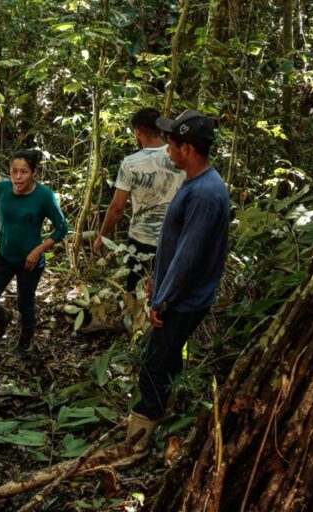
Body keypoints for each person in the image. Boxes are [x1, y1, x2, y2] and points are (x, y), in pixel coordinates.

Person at [114, 109, 230, 465]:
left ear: (186, 148)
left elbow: (190, 255)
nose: (166, 147)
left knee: (153, 363)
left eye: (171, 142)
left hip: (184, 301)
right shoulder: (196, 184)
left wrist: (163, 299)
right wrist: (158, 279)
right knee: (161, 359)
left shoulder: (206, 193)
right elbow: (177, 246)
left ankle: (140, 442)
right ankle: (161, 421)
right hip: (178, 294)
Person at [0, 150, 69, 350]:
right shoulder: (1, 189)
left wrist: (39, 250)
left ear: (33, 172)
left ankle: (25, 340)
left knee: (25, 303)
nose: (18, 177)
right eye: (14, 171)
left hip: (30, 261)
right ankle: (4, 318)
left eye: (24, 172)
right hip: (3, 257)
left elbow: (62, 227)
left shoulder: (44, 195)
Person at [93, 108, 184, 292]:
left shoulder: (131, 163)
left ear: (138, 132)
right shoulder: (180, 157)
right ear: (161, 130)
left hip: (141, 241)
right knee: (167, 292)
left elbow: (117, 208)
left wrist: (103, 236)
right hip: (175, 239)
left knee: (136, 293)